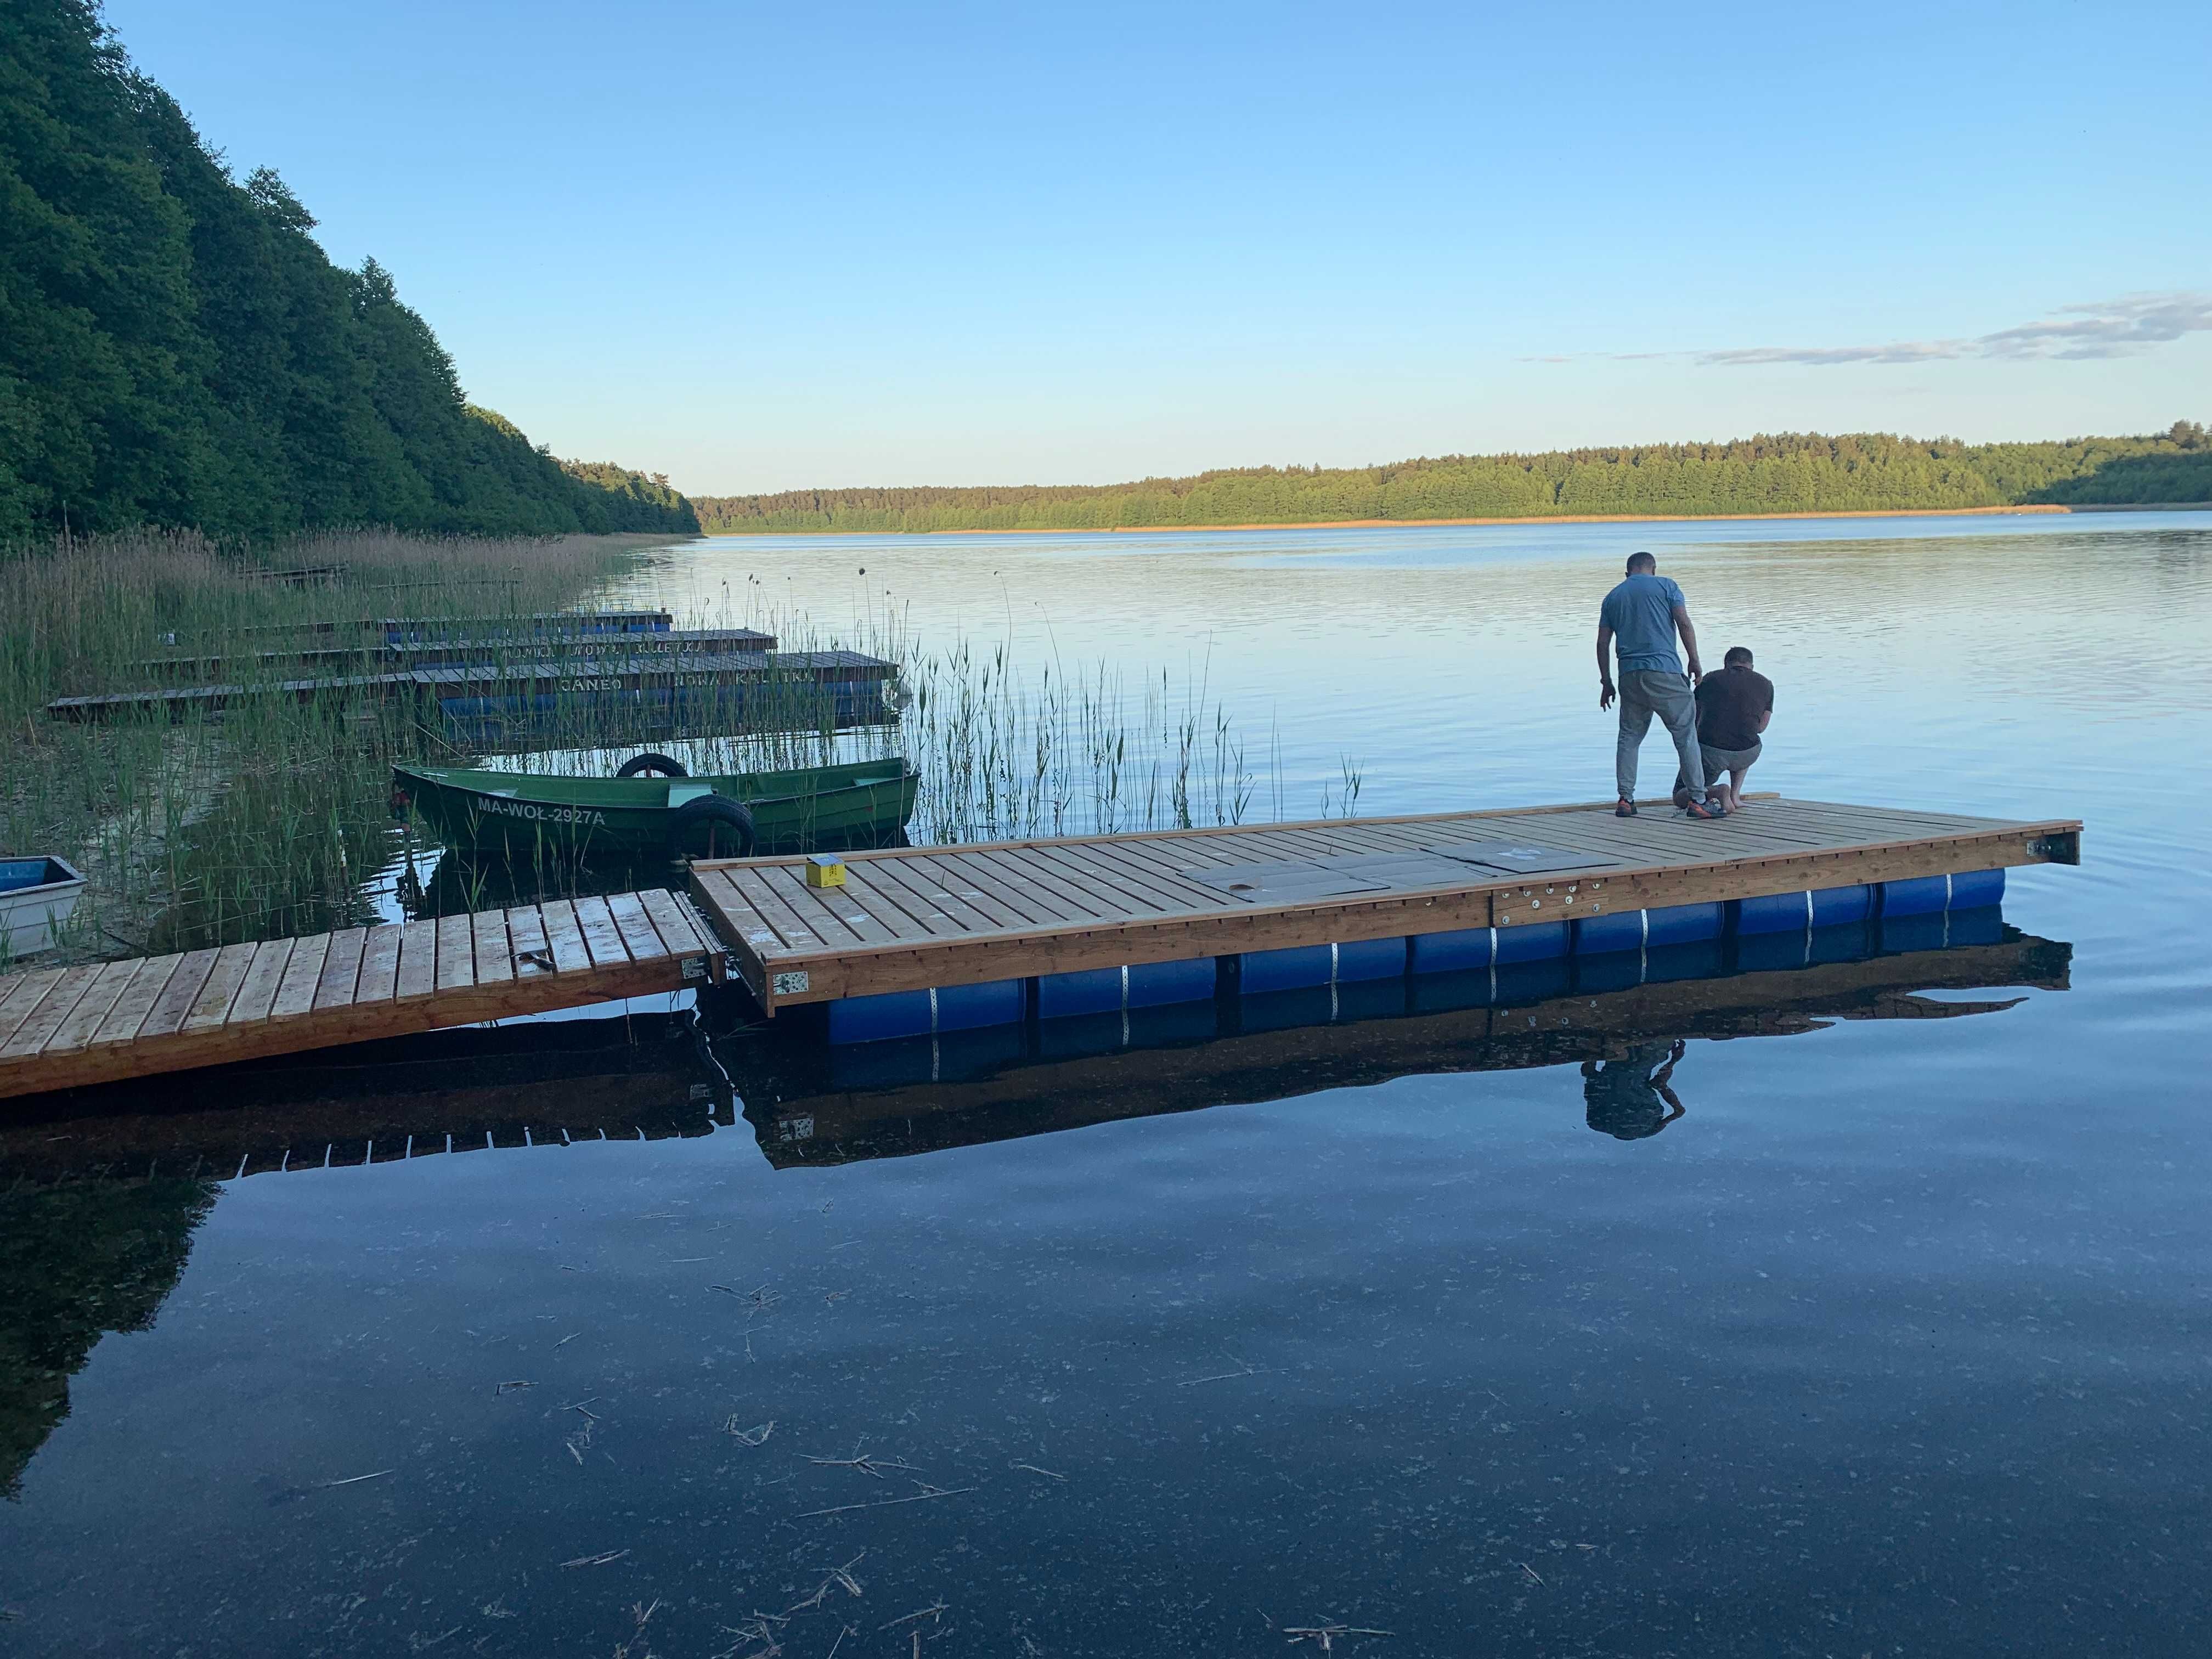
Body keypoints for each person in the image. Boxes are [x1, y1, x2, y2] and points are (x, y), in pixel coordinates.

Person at [1595, 551, 1724, 820]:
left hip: (1629, 676)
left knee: (1629, 738)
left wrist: (1606, 682)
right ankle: (1698, 800)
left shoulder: (1613, 597)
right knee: (1686, 736)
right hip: (1665, 672)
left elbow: (1602, 643)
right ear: (1653, 570)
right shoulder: (1667, 586)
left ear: (1627, 573)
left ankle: (1626, 799)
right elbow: (1684, 624)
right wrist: (1695, 661)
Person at [1673, 645, 1774, 813]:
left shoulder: (1710, 679)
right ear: (1752, 666)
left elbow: (1694, 718)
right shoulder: (1766, 684)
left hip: (1712, 753)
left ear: (1726, 664)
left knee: (1680, 795)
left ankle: (1719, 791)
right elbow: (1761, 728)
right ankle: (1735, 796)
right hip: (1748, 754)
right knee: (1747, 734)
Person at [1581, 1040, 1689, 1140]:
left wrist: (1673, 1061)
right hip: (1616, 1050)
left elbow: (1659, 1083)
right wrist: (1594, 1048)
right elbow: (1588, 1071)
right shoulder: (1598, 1118)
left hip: (1650, 1050)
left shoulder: (1649, 1126)